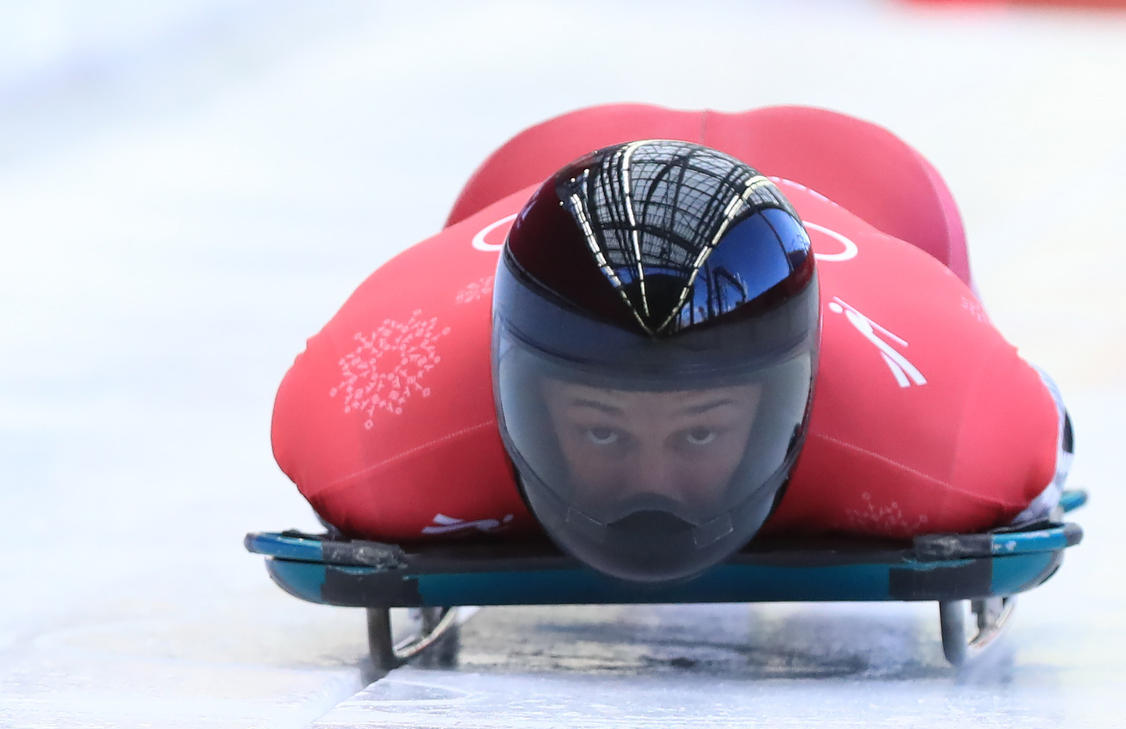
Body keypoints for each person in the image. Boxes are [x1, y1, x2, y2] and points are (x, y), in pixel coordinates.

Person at [270, 104, 1073, 583]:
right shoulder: (369, 430)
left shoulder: (946, 431)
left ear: (789, 398)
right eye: (602, 429)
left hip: (864, 186)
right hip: (533, 171)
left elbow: (1036, 430)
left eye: (698, 430)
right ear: (513, 386)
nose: (651, 486)